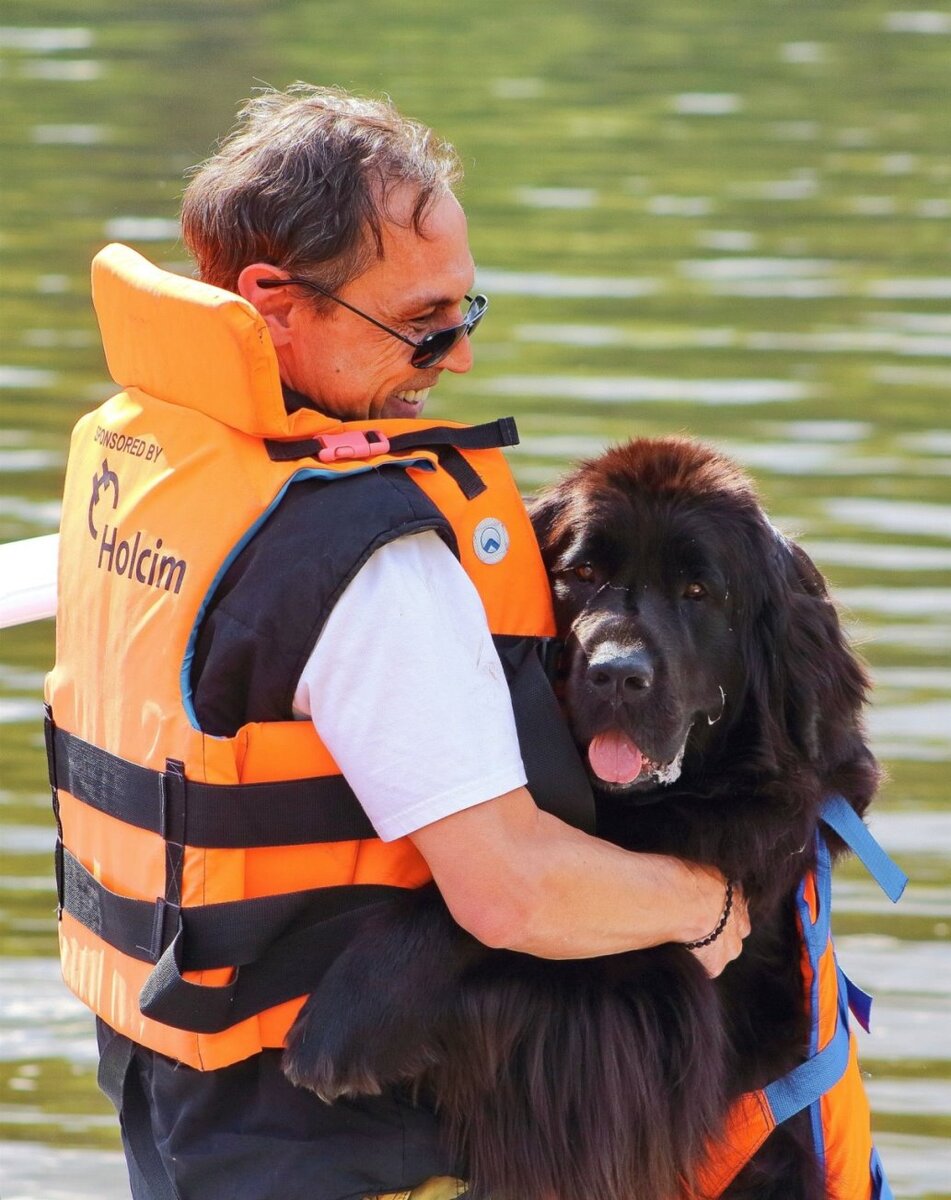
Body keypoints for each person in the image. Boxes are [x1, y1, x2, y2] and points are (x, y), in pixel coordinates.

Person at [45, 85, 749, 1200]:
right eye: (423, 323)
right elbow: (511, 893)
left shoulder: (142, 454)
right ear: (273, 302)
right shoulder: (370, 558)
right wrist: (706, 908)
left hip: (172, 1071)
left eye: (469, 310)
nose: (457, 359)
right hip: (340, 1123)